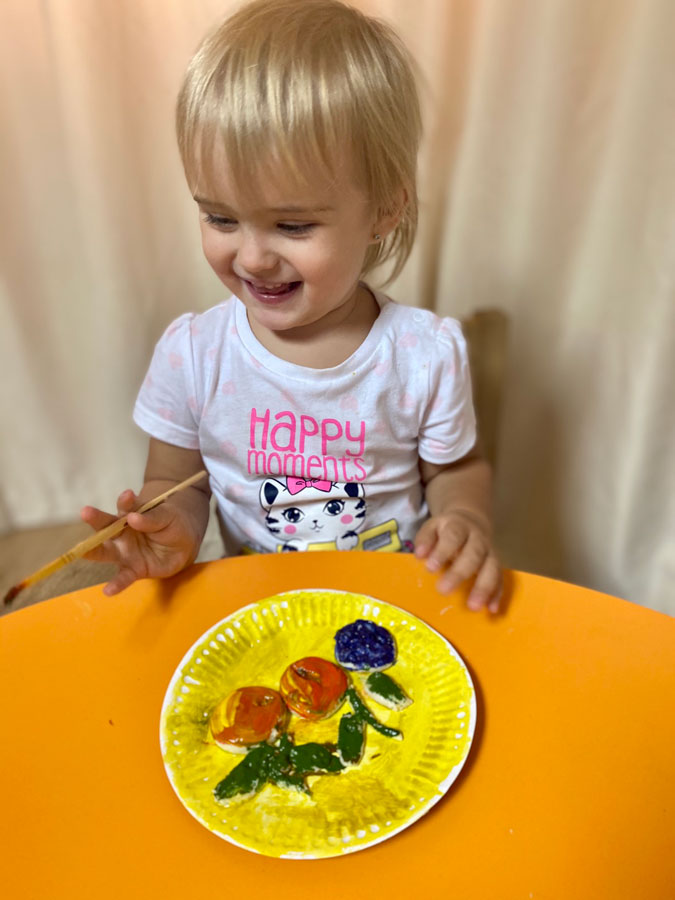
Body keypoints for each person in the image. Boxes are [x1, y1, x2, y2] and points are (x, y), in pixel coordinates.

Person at [81, 0, 502, 612]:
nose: (252, 258)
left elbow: (455, 470)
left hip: (392, 603)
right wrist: (169, 528)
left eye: (293, 225)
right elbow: (177, 483)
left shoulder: (424, 355)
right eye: (220, 217)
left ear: (385, 210)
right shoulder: (193, 355)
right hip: (260, 608)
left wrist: (466, 519)